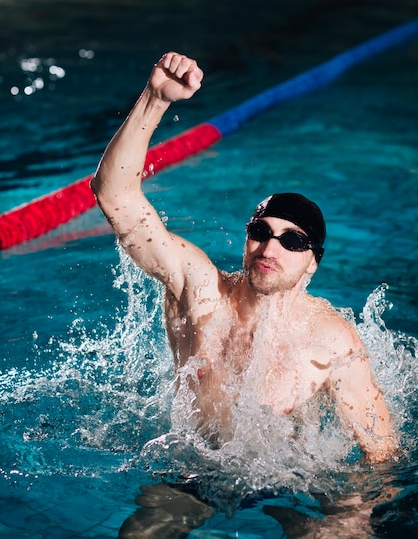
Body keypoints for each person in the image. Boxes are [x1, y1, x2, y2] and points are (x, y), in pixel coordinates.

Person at [91, 51, 398, 465]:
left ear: (313, 262)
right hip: (191, 470)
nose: (270, 249)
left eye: (293, 242)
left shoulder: (331, 339)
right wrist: (155, 98)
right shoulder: (199, 290)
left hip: (288, 481)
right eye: (260, 233)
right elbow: (115, 195)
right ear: (246, 239)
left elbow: (382, 454)